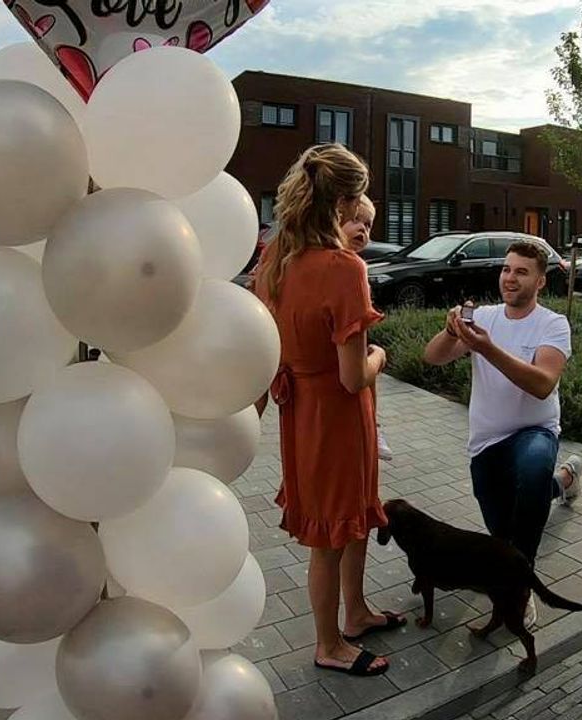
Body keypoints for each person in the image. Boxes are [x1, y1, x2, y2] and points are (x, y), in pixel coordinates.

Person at [253, 144, 403, 677]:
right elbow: (351, 374)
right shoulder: (345, 269)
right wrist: (380, 356)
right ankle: (328, 643)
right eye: (359, 195)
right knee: (331, 537)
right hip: (336, 414)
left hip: (301, 413)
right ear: (343, 202)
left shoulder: (275, 260)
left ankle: (356, 612)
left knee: (352, 518)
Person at [421, 240, 582, 627]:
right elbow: (433, 357)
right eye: (506, 269)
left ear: (540, 282)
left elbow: (543, 383)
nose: (510, 278)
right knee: (503, 531)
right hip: (486, 441)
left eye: (521, 272)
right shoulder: (485, 318)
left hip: (534, 431)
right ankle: (563, 481)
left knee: (529, 476)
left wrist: (487, 349)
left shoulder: (552, 324)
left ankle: (518, 589)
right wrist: (449, 333)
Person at [340, 196, 394, 461]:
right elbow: (356, 377)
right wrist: (380, 357)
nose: (363, 229)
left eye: (368, 224)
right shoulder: (349, 268)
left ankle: (375, 424)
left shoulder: (353, 265)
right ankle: (373, 426)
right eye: (354, 220)